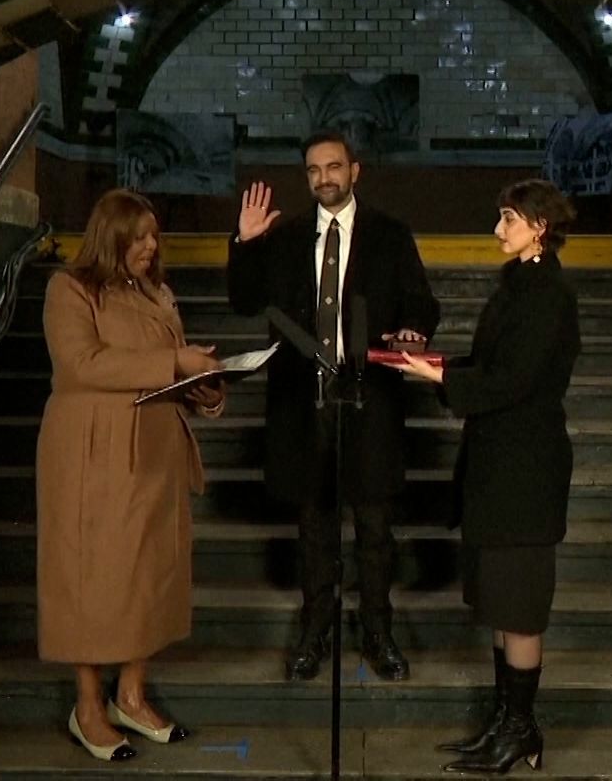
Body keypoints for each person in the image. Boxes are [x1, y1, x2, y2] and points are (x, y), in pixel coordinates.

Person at [227, 131, 440, 682]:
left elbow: (421, 301)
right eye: (314, 170)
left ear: (355, 171)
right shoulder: (285, 237)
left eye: (334, 166)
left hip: (370, 401)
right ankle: (314, 632)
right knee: (315, 530)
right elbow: (244, 301)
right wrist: (246, 242)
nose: (324, 177)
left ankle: (378, 633)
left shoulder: (390, 234)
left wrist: (413, 328)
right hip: (303, 406)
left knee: (374, 530)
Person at [386, 179, 581, 775]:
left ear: (539, 227)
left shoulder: (546, 294)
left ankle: (519, 729)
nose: (498, 229)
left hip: (525, 472)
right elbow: (493, 365)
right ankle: (508, 723)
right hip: (500, 468)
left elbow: (514, 380)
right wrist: (434, 365)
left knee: (518, 607)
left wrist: (443, 379)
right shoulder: (520, 286)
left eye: (508, 218)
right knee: (501, 602)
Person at [37, 189, 226, 762]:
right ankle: (87, 706)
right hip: (93, 454)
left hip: (155, 454)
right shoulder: (70, 289)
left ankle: (132, 695)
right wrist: (175, 362)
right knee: (92, 576)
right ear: (111, 236)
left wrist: (205, 388)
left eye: (154, 235)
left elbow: (172, 372)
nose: (150, 246)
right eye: (138, 236)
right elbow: (83, 364)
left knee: (149, 574)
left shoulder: (157, 293)